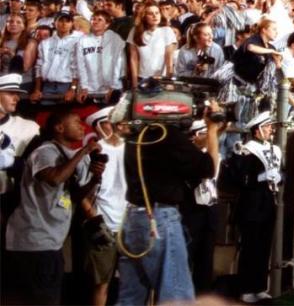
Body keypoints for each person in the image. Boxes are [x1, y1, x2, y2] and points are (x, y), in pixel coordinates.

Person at [117, 101, 222, 304]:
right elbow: (209, 168)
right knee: (176, 297)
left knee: (130, 299)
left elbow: (176, 154)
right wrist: (211, 129)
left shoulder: (137, 135)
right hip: (159, 220)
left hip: (133, 219)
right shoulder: (169, 136)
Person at [5, 107, 105, 305]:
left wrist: (95, 178)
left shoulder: (78, 156)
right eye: (76, 122)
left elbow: (76, 195)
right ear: (59, 127)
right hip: (32, 240)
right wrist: (84, 150)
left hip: (52, 241)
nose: (81, 126)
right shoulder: (44, 151)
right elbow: (55, 178)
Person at [233, 111, 283, 303]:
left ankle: (260, 287)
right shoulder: (246, 150)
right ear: (257, 130)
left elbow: (282, 172)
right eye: (268, 126)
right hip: (251, 206)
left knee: (264, 247)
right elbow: (240, 178)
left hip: (268, 203)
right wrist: (260, 178)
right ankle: (246, 288)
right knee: (250, 248)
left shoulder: (275, 149)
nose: (271, 129)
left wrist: (280, 177)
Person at [80, 106, 127, 306]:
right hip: (103, 223)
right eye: (110, 120)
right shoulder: (90, 152)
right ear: (100, 126)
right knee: (102, 284)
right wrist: (93, 218)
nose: (118, 123)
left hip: (130, 224)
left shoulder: (134, 148)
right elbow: (80, 192)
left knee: (133, 282)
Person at [180, 119, 221, 295]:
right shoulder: (189, 157)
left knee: (206, 260)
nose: (208, 138)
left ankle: (203, 295)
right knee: (187, 258)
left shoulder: (215, 156)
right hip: (191, 212)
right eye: (204, 134)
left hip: (209, 211)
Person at [0, 73, 40, 242]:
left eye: (17, 94)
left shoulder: (28, 127)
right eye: (10, 93)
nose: (16, 97)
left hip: (14, 199)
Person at [75, 10, 126, 102]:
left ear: (107, 24)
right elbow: (80, 66)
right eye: (93, 19)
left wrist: (113, 86)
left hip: (110, 87)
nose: (95, 22)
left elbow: (118, 64)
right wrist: (84, 87)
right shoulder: (83, 40)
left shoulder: (115, 39)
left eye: (100, 20)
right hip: (89, 88)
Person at [30, 12, 80, 104]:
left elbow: (77, 67)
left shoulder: (78, 42)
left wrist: (73, 89)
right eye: (61, 21)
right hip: (48, 85)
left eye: (67, 21)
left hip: (67, 85)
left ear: (72, 23)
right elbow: (39, 67)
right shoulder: (45, 43)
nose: (64, 24)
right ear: (54, 23)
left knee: (64, 115)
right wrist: (37, 89)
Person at [126, 2, 177, 88]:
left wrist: (169, 82)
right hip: (141, 78)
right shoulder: (135, 31)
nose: (155, 16)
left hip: (161, 79)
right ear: (144, 16)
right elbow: (133, 59)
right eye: (150, 13)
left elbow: (169, 61)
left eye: (157, 13)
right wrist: (134, 83)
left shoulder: (167, 31)